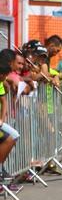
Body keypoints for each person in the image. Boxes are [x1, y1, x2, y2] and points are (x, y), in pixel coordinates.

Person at [0, 48, 20, 189]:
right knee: (9, 138)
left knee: (14, 135)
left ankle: (1, 169)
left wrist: (2, 118)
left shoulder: (2, 81)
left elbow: (4, 101)